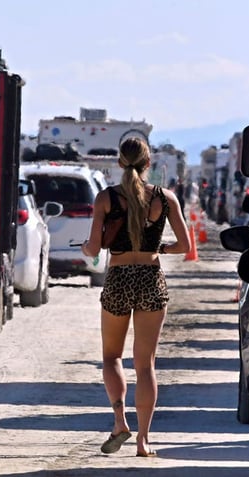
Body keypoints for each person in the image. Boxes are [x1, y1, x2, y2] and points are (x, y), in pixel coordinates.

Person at [80, 137, 190, 458]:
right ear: (148, 163)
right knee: (146, 364)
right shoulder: (165, 198)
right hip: (151, 278)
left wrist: (87, 250)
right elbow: (184, 245)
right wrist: (160, 248)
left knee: (112, 356)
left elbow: (94, 247)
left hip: (118, 277)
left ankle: (119, 421)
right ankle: (143, 440)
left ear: (119, 162)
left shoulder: (106, 199)